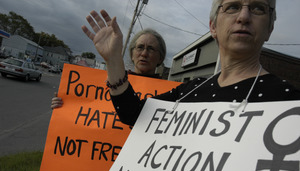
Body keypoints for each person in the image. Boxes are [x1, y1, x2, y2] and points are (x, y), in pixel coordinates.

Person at [80, 0, 300, 130]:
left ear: (270, 28)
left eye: (258, 8)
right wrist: (114, 60)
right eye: (232, 7)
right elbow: (133, 115)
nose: (244, 16)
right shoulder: (190, 91)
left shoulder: (290, 102)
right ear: (213, 26)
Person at [51, 27, 166, 171]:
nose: (144, 53)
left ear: (160, 58)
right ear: (132, 53)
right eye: (140, 47)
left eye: (151, 49)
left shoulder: (171, 96)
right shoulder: (108, 81)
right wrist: (65, 106)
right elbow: (86, 118)